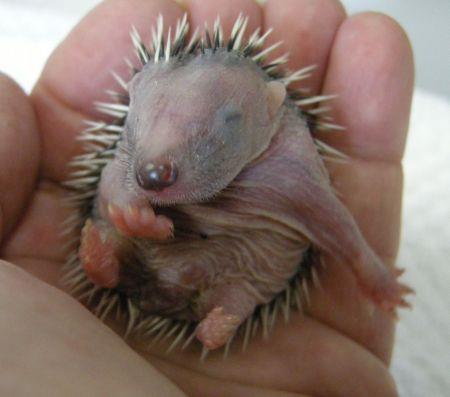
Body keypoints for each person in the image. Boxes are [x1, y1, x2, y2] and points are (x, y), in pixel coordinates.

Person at [0, 0, 413, 395]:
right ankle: (116, 258)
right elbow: (122, 178)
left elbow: (329, 219)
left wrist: (370, 271)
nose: (156, 170)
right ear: (137, 93)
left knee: (241, 279)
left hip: (239, 261)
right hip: (147, 257)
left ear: (271, 109)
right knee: (120, 197)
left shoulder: (289, 153)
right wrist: (129, 204)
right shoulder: (141, 138)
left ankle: (224, 307)